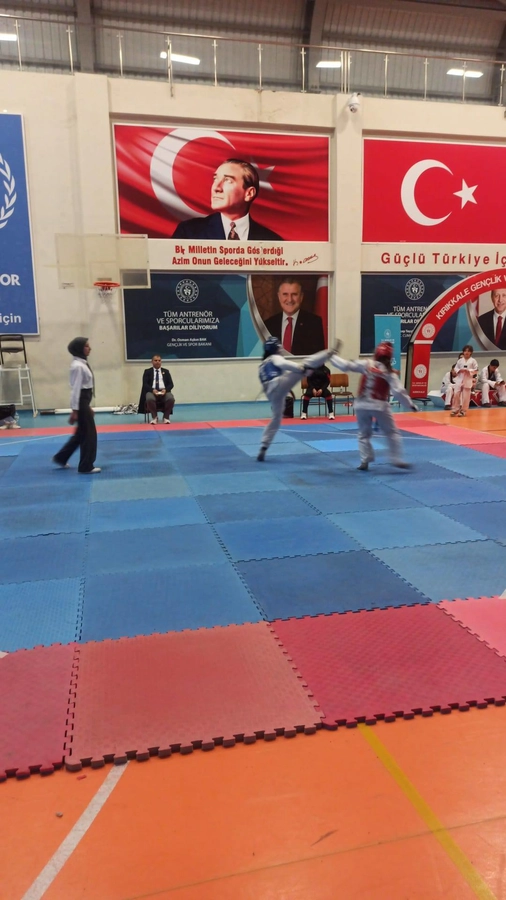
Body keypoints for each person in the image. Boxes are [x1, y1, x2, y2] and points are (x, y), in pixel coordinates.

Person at [330, 341, 418, 471]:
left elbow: (346, 365)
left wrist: (332, 356)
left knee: (363, 434)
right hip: (379, 405)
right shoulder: (389, 372)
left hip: (361, 404)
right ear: (390, 357)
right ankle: (396, 459)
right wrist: (410, 405)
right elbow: (398, 391)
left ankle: (365, 460)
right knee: (392, 432)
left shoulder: (366, 364)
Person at [257, 338, 338, 462]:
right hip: (278, 384)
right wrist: (300, 368)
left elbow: (268, 380)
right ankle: (328, 353)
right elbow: (283, 364)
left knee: (276, 418)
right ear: (275, 348)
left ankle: (264, 446)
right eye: (279, 347)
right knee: (306, 364)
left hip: (272, 393)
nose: (281, 349)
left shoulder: (262, 365)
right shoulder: (274, 357)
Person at [172, 159, 282, 241]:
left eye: (228, 180)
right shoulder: (188, 233)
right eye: (215, 179)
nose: (216, 188)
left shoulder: (273, 241)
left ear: (249, 193)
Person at [52, 337, 100, 474]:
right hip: (81, 401)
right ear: (79, 349)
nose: (90, 348)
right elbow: (76, 389)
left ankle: (61, 457)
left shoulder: (82, 363)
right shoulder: (77, 366)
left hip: (83, 402)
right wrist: (75, 410)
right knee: (89, 435)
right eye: (86, 346)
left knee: (81, 434)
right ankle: (86, 466)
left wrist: (87, 406)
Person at [264, 279, 325, 355]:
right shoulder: (269, 324)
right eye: (285, 294)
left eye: (294, 294)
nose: (290, 299)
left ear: (301, 297)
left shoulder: (314, 323)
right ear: (279, 296)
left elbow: (318, 357)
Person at [139, 356, 175, 424]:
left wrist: (165, 390)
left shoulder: (166, 371)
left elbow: (171, 384)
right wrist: (152, 390)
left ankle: (166, 417)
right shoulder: (147, 372)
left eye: (159, 360)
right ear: (152, 362)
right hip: (152, 391)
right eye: (155, 360)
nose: (157, 362)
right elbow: (145, 384)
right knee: (149, 398)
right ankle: (154, 417)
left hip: (164, 391)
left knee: (171, 398)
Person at [450, 345, 479, 417]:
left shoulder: (473, 361)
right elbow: (456, 368)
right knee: (456, 394)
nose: (466, 352)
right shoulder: (460, 361)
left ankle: (463, 411)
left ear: (471, 352)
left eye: (468, 351)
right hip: (459, 379)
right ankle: (455, 409)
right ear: (463, 352)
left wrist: (469, 371)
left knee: (466, 397)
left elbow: (476, 370)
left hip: (468, 379)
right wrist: (460, 370)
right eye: (465, 351)